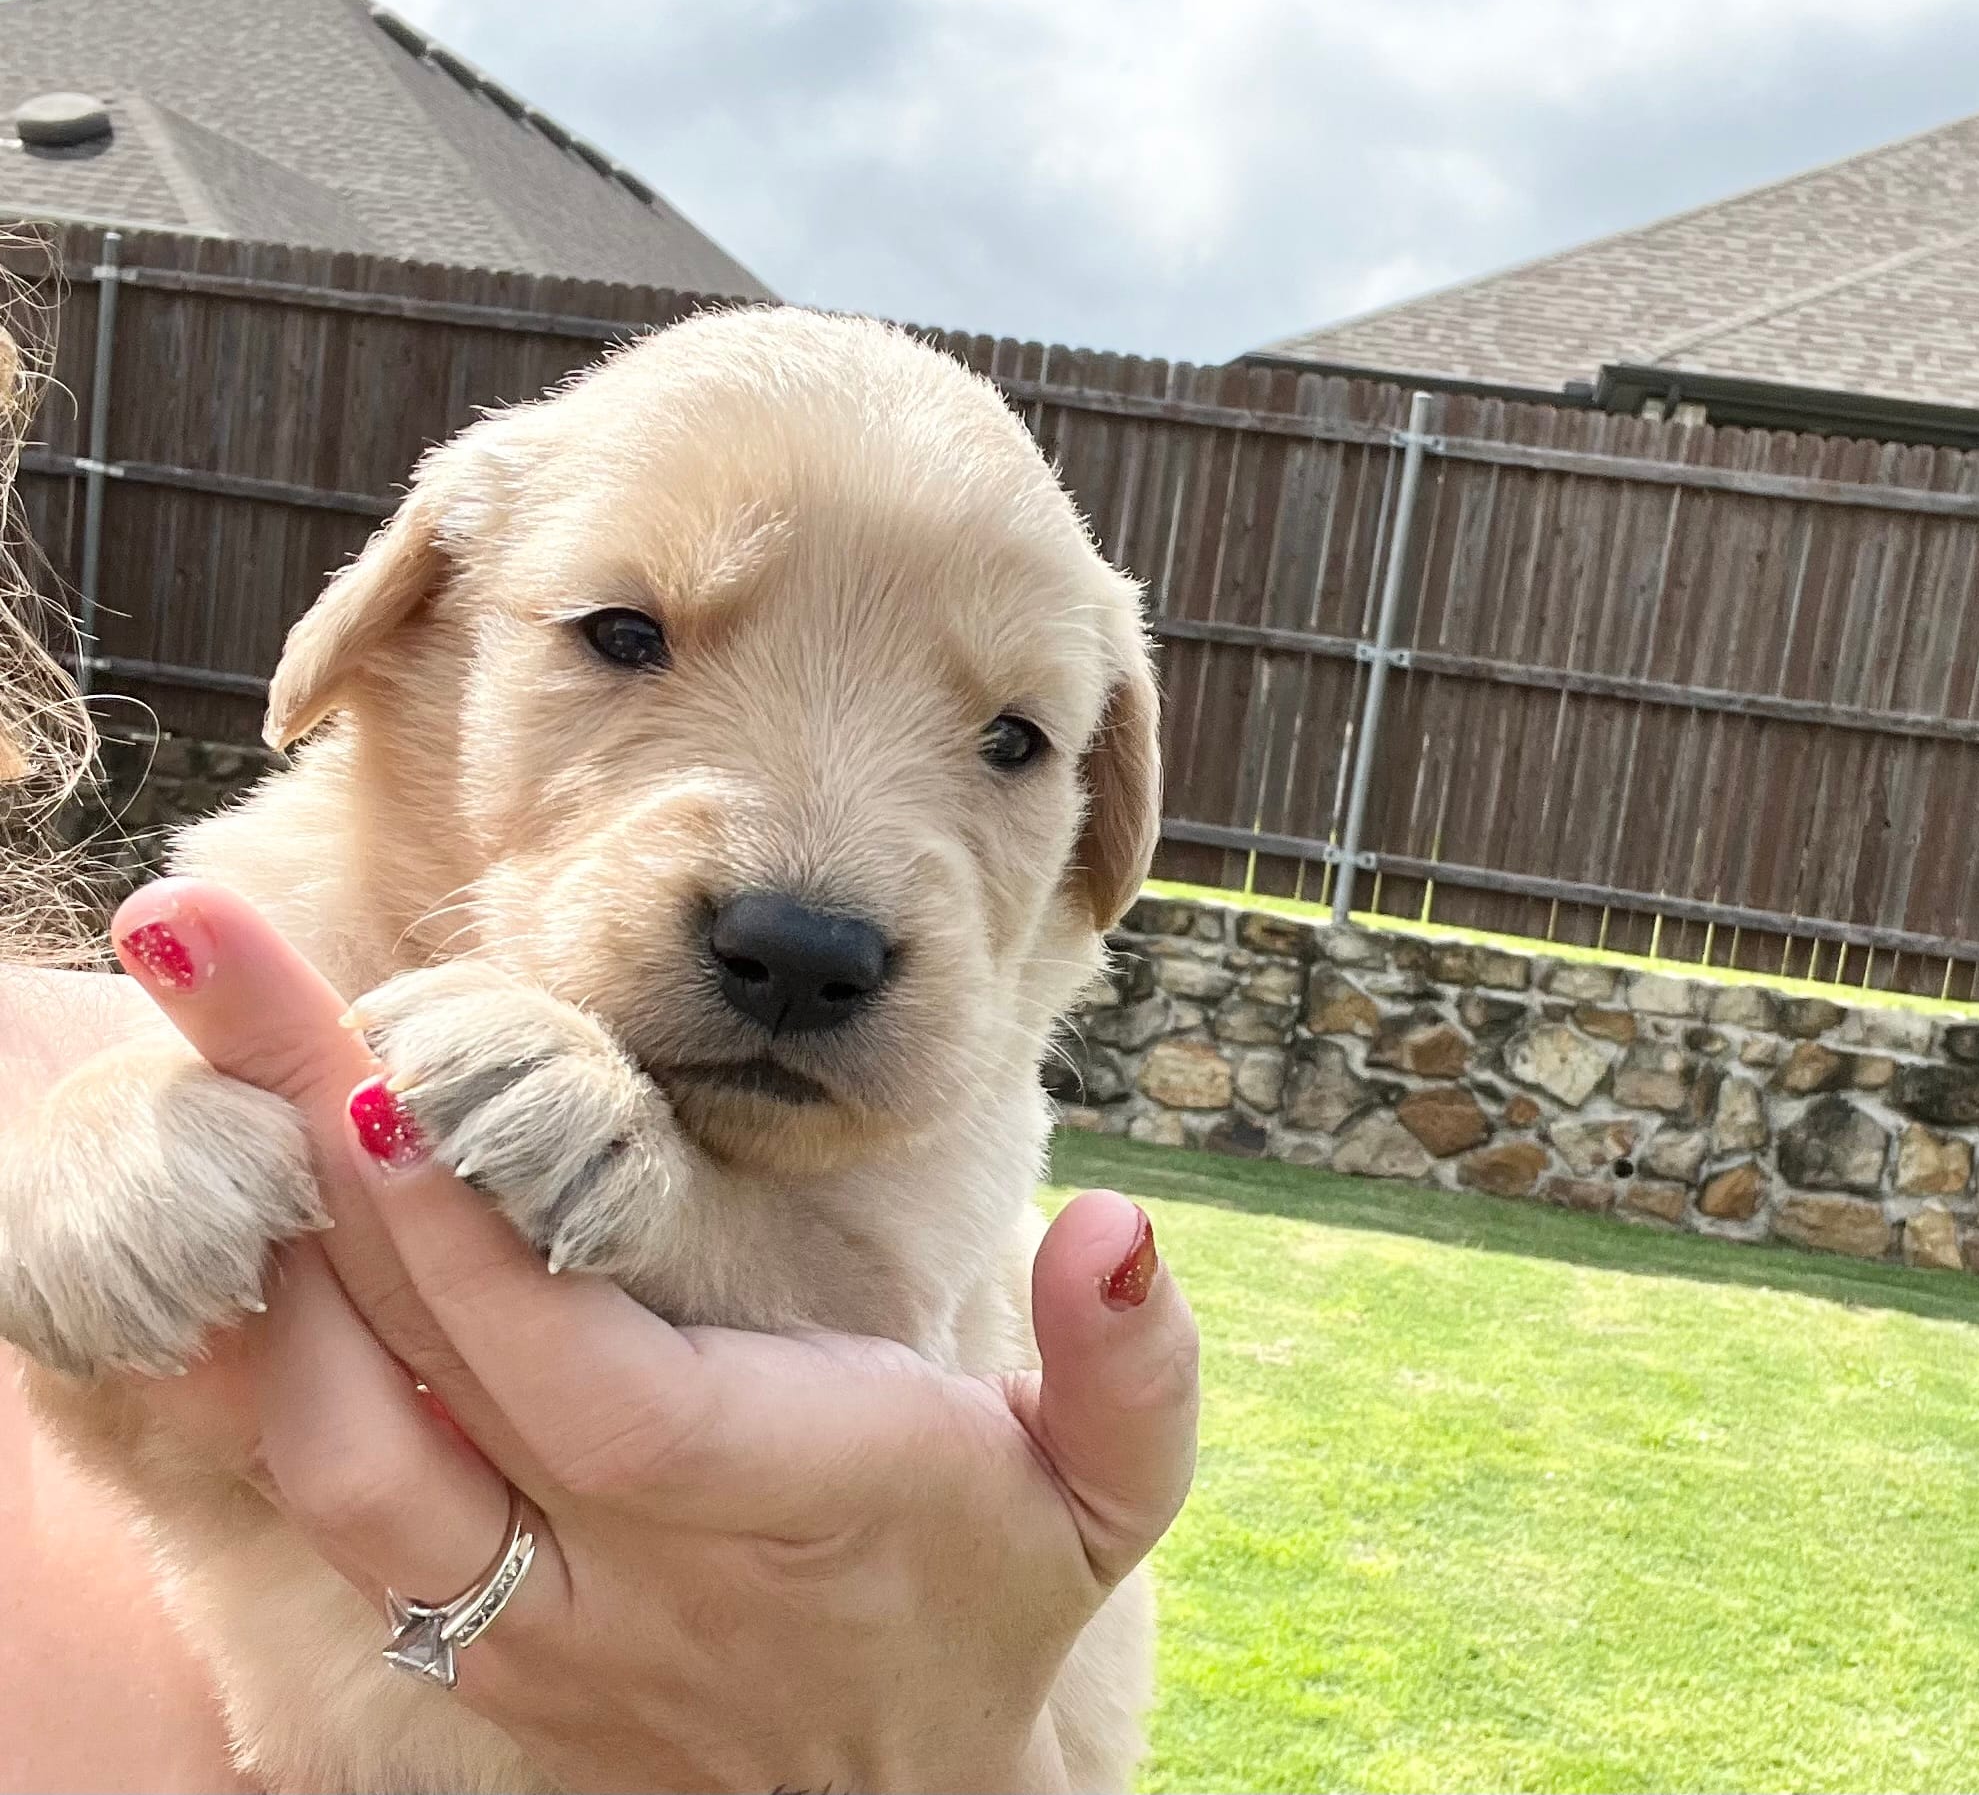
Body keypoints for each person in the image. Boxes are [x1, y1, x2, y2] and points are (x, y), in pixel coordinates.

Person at [0, 286, 1200, 1793]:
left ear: (1103, 810)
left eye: (1010, 742)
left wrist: (668, 1209)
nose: (811, 913)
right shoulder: (257, 948)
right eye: (628, 637)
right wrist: (129, 1134)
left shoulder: (945, 1134)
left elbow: (860, 1372)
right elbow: (151, 1422)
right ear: (412, 615)